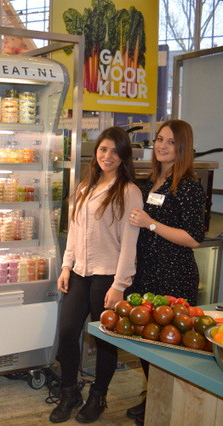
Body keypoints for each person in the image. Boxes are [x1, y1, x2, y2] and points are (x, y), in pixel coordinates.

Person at [51, 127, 142, 424]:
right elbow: (75, 231)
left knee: (105, 340)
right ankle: (69, 392)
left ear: (124, 156)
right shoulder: (85, 186)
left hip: (108, 277)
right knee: (67, 332)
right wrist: (66, 266)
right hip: (79, 272)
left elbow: (129, 244)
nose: (108, 156)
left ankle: (98, 396)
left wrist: (120, 285)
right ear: (96, 151)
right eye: (103, 149)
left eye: (115, 151)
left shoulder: (129, 191)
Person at [124, 119, 206, 425]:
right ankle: (155, 396)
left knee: (169, 344)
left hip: (174, 274)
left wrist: (151, 224)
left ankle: (167, 405)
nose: (162, 146)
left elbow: (194, 238)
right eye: (159, 139)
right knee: (146, 340)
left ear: (182, 147)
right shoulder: (149, 183)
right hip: (145, 272)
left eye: (171, 142)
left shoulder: (188, 187)